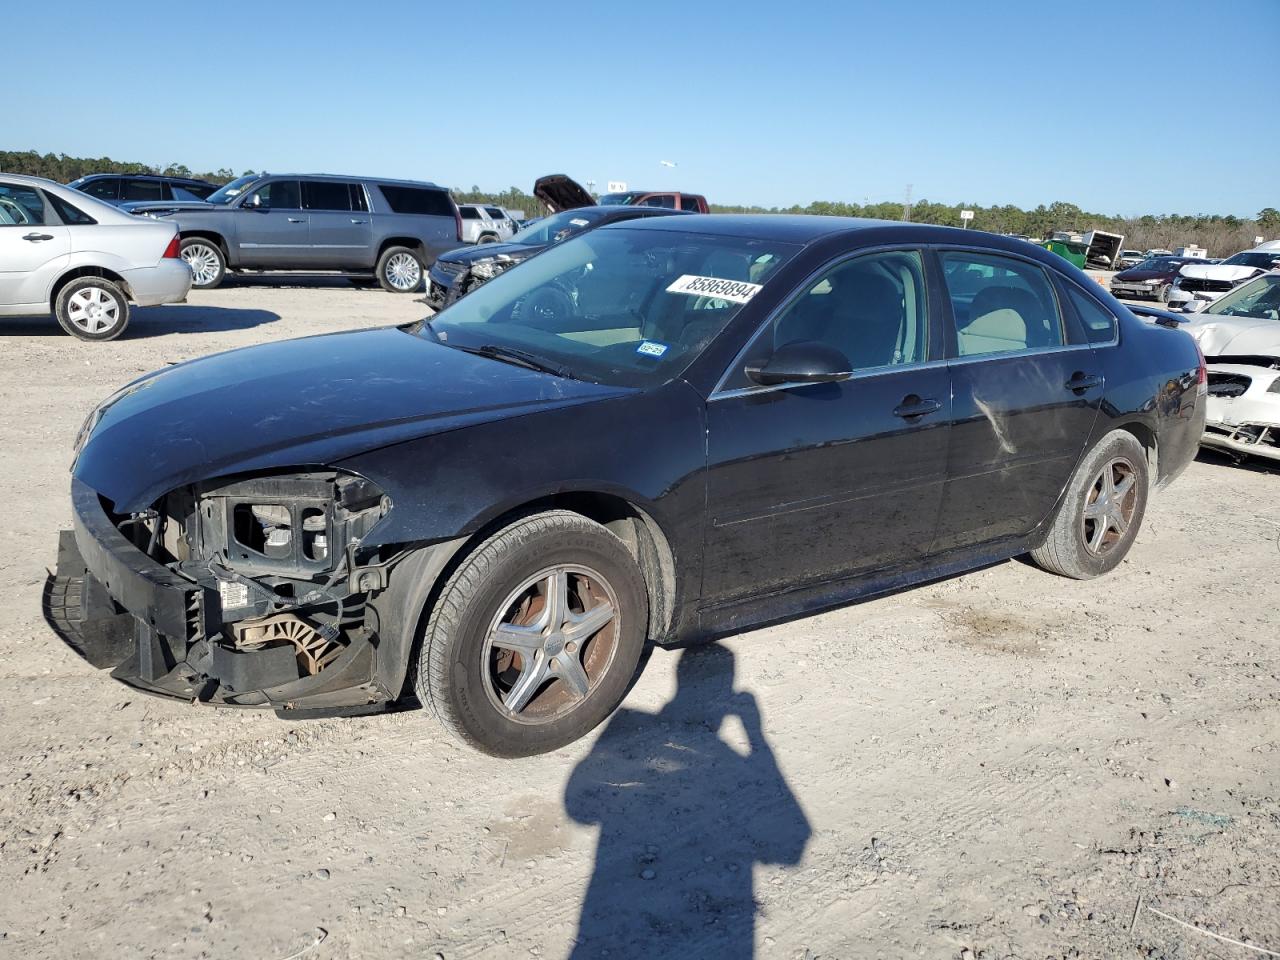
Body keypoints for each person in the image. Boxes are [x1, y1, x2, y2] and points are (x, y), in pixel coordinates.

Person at [565, 644, 810, 958]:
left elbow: (579, 809)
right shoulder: (725, 760)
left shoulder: (628, 724)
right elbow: (792, 844)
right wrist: (756, 734)